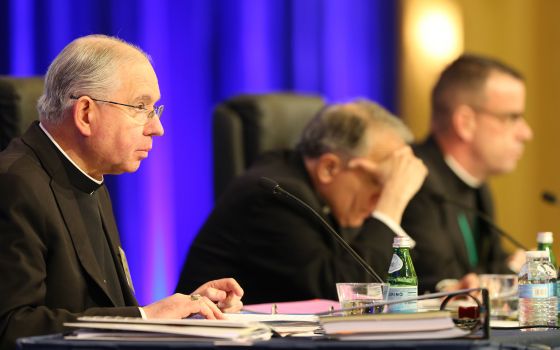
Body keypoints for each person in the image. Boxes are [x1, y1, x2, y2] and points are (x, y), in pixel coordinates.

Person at [0, 35, 243, 349]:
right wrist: (145, 317)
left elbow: (107, 312)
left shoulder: (89, 176)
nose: (157, 127)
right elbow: (12, 327)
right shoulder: (13, 184)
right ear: (86, 113)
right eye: (141, 107)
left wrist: (184, 314)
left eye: (154, 108)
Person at [176, 99, 427, 304]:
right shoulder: (276, 197)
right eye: (379, 182)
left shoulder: (326, 198)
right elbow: (344, 297)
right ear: (329, 168)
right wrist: (391, 204)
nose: (381, 196)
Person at [401, 54, 533, 293]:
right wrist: (510, 271)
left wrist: (515, 265)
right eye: (512, 117)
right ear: (465, 123)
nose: (526, 133)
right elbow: (444, 279)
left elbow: (489, 262)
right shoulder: (413, 178)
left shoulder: (477, 184)